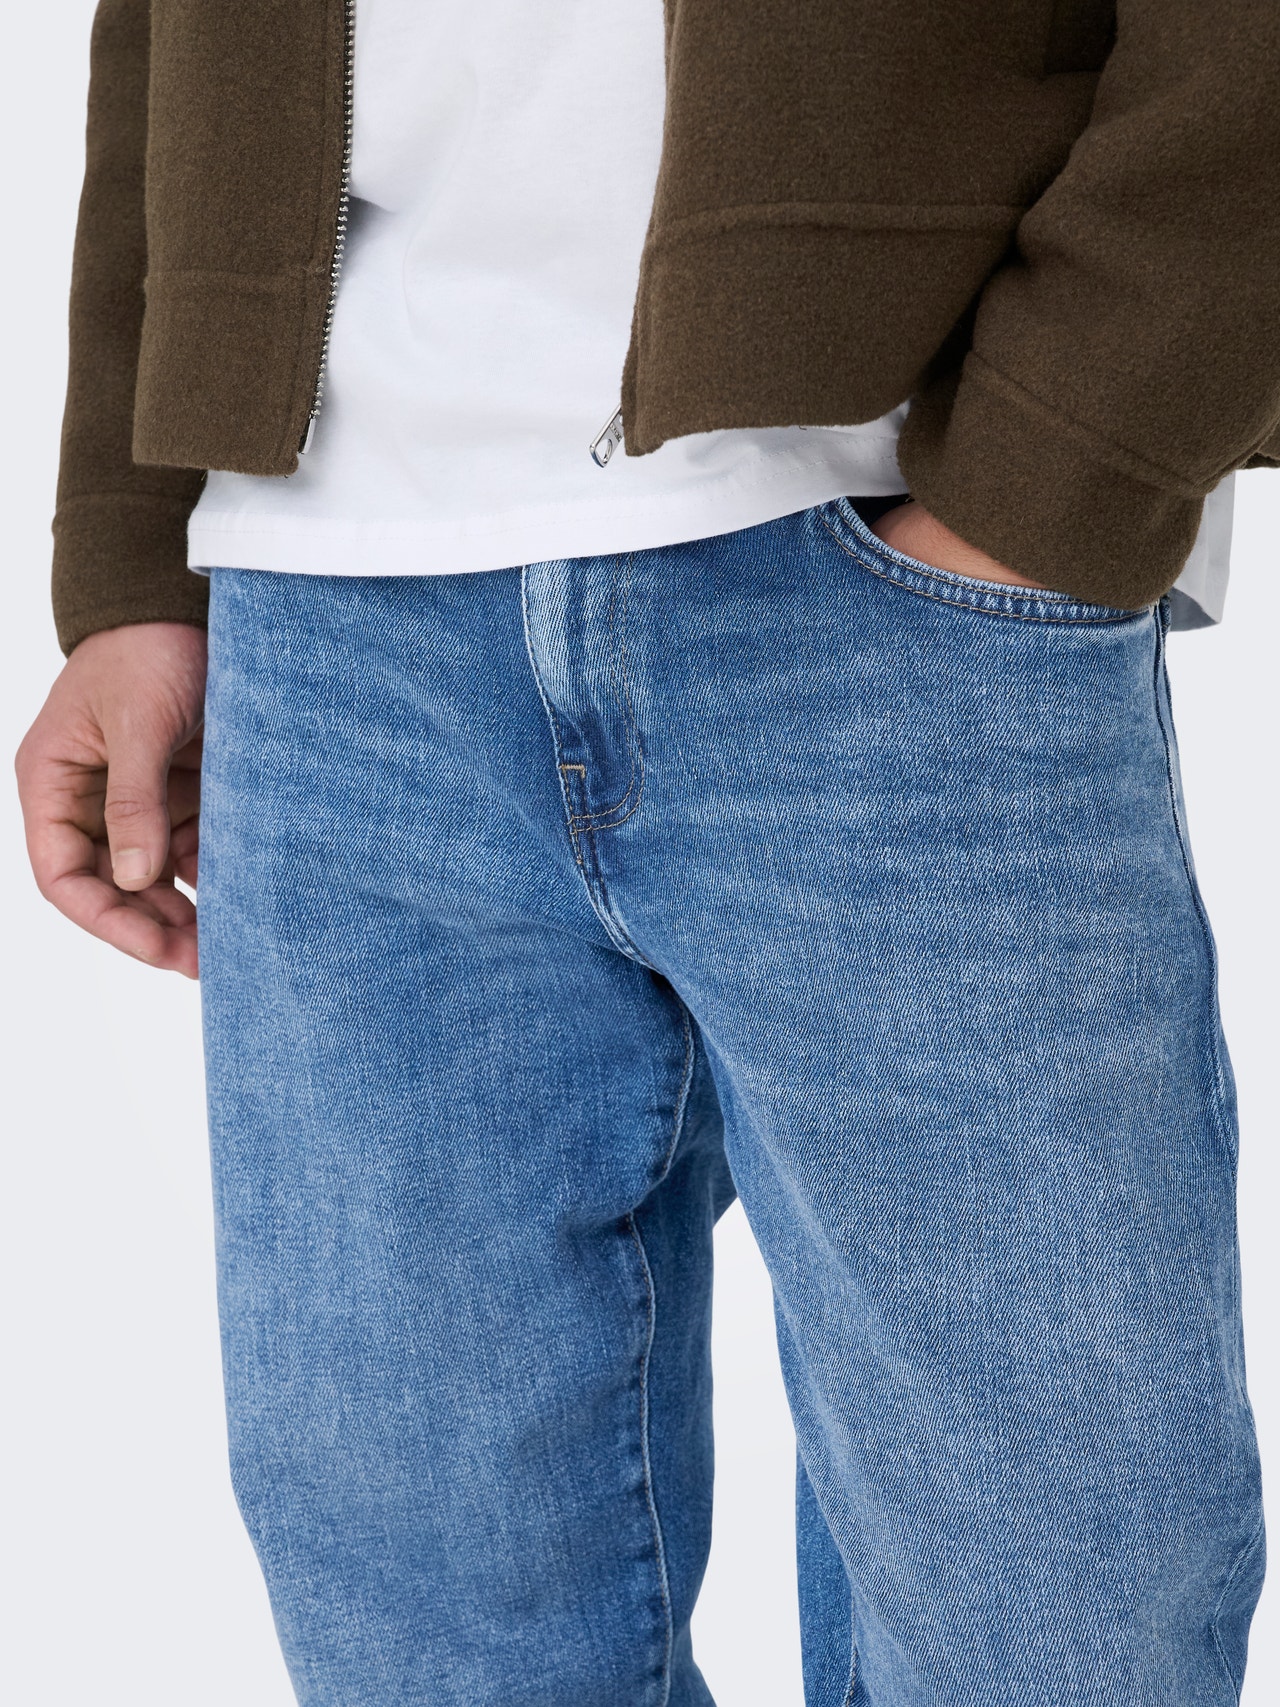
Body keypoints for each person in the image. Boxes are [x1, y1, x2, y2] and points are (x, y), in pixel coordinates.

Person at [15, 2, 1279, 1702]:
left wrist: (1065, 457)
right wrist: (133, 545)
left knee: (1052, 1618)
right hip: (328, 600)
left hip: (877, 529)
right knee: (426, 1639)